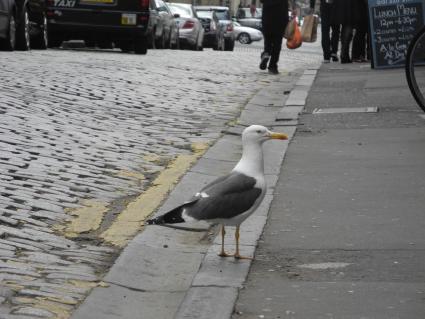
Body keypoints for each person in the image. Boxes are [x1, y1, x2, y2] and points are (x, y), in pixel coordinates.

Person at [260, 0, 308, 74]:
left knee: (268, 39)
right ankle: (273, 67)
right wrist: (294, 8)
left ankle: (266, 53)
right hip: (281, 14)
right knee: (277, 43)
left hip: (267, 13)